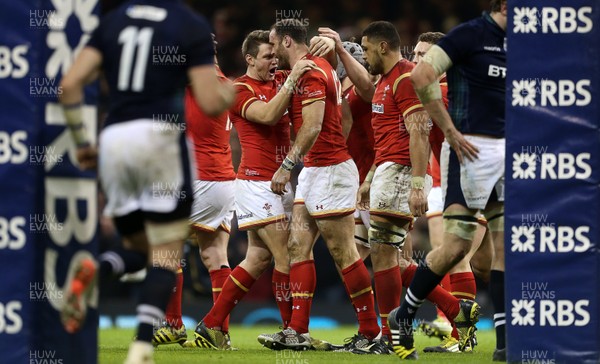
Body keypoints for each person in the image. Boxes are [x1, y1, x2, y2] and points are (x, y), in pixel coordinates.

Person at [58, 1, 235, 362]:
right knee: (166, 250)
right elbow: (210, 100)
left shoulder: (112, 22)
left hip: (115, 139)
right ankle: (141, 345)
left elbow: (70, 85)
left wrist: (82, 143)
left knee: (140, 249)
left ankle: (101, 267)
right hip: (161, 139)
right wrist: (228, 92)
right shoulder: (190, 24)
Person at [187, 30, 322, 350]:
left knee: (257, 258)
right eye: (267, 57)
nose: (274, 62)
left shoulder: (277, 81)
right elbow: (268, 114)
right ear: (249, 59)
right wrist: (290, 83)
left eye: (276, 56)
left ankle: (211, 324)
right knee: (287, 255)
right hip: (254, 183)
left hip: (279, 181)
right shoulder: (238, 88)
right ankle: (293, 331)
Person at [389, 0, 507, 360]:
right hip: (468, 152)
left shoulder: (525, 42)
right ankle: (405, 312)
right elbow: (420, 77)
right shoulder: (470, 35)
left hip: (509, 151)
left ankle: (504, 345)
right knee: (456, 249)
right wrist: (451, 131)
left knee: (504, 249)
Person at [260, 20, 385, 354]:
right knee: (297, 246)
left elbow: (313, 125)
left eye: (274, 47)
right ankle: (297, 330)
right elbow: (337, 117)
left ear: (287, 41)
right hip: (316, 171)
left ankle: (371, 332)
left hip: (330, 170)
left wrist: (287, 166)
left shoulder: (314, 72)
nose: (273, 54)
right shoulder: (315, 69)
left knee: (344, 251)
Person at [412, 31, 494, 354]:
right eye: (415, 54)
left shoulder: (442, 95)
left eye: (423, 55)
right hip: (458, 184)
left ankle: (460, 337)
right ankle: (462, 329)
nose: (415, 60)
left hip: (465, 185)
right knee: (484, 265)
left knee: (453, 257)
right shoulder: (443, 90)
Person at [152, 44, 236, 349]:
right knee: (215, 256)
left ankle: (174, 324)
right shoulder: (223, 82)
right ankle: (219, 332)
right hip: (224, 179)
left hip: (202, 179)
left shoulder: (203, 79)